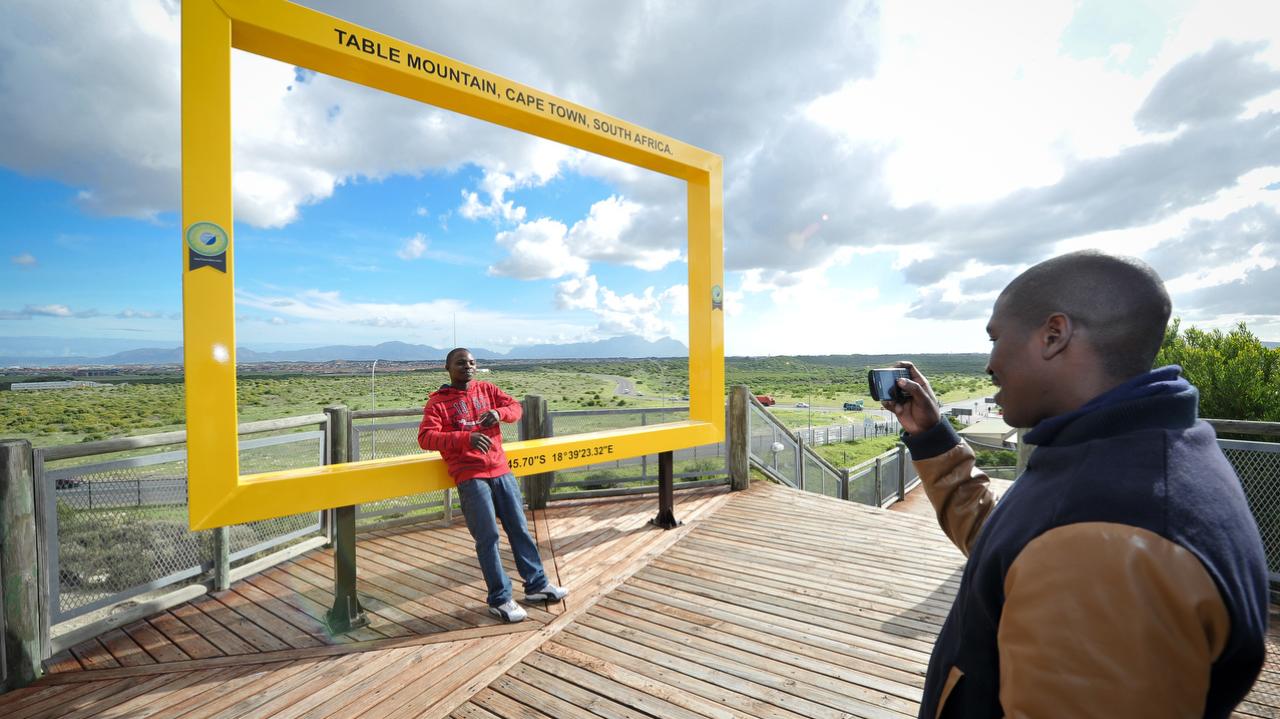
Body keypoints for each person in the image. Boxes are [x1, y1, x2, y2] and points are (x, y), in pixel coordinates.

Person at [884, 251, 1267, 718]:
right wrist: (932, 438)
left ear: (1053, 335)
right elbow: (1018, 548)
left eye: (995, 338)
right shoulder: (1136, 455)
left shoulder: (1110, 541)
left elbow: (1067, 547)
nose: (989, 364)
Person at [417, 348, 567, 623]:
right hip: (470, 477)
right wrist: (466, 438)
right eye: (461, 363)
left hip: (501, 470)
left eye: (472, 362)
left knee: (520, 529)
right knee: (488, 539)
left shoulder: (487, 390)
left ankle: (536, 586)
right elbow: (426, 438)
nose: (468, 366)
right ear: (447, 368)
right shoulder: (438, 403)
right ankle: (500, 599)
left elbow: (516, 408)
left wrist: (499, 413)